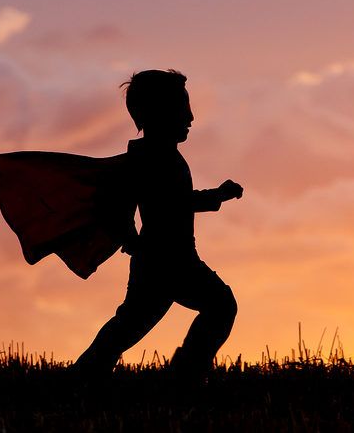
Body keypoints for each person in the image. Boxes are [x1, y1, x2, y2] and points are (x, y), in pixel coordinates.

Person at [74, 69, 242, 382]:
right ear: (159, 113)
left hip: (161, 257)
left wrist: (132, 239)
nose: (191, 116)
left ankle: (85, 375)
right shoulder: (153, 159)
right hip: (169, 258)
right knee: (220, 305)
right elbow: (164, 202)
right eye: (182, 108)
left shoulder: (157, 156)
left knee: (130, 324)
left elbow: (164, 199)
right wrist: (216, 196)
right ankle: (186, 372)